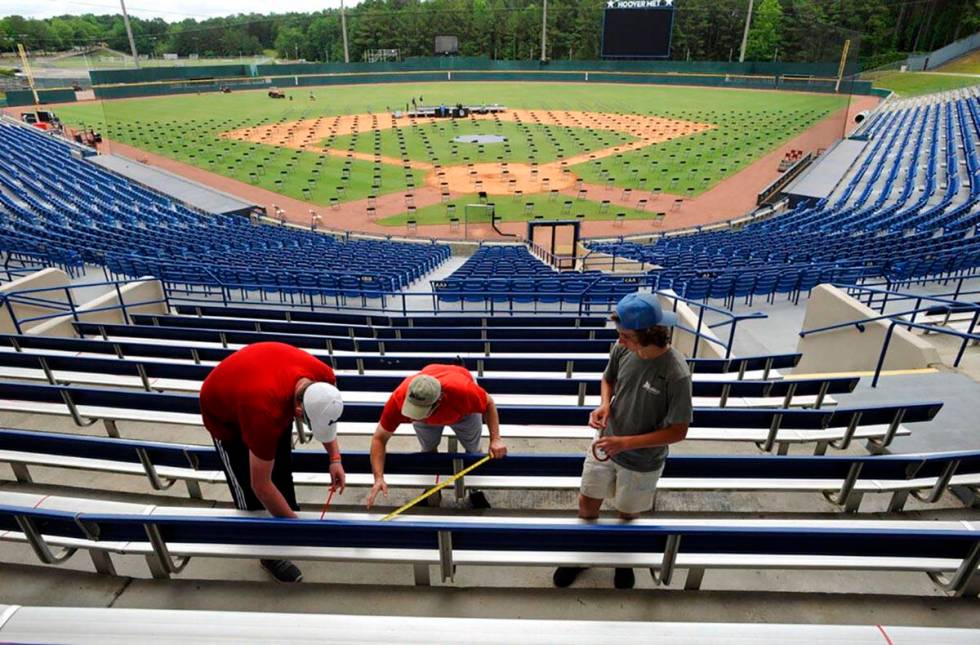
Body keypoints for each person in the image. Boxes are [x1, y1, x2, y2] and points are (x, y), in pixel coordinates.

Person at [553, 292, 692, 590]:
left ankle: (622, 561)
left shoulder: (676, 374)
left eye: (625, 335)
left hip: (642, 460)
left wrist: (625, 443)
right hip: (606, 444)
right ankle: (580, 555)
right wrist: (605, 404)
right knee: (587, 503)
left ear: (649, 335)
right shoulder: (622, 349)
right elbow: (608, 379)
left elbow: (679, 432)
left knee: (628, 513)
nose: (619, 340)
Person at [200, 342, 346, 583]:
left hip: (262, 387)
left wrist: (335, 458)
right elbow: (261, 484)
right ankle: (268, 552)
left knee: (281, 470)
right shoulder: (264, 412)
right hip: (225, 413)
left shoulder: (324, 378)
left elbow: (325, 418)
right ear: (298, 410)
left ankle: (286, 518)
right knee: (249, 489)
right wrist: (300, 530)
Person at [366, 364, 507, 509]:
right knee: (428, 450)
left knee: (473, 449)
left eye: (419, 411)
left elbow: (489, 403)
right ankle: (432, 489)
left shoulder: (464, 391)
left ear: (438, 401)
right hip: (434, 411)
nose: (413, 415)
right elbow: (379, 438)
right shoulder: (399, 399)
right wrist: (378, 478)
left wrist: (495, 439)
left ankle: (475, 488)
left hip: (463, 413)